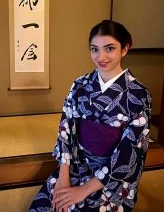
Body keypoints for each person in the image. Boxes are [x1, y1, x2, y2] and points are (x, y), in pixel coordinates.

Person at [29, 20, 151, 212]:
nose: (100, 56)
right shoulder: (80, 85)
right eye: (94, 49)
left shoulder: (138, 95)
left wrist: (83, 190)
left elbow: (130, 151)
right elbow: (65, 129)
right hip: (78, 165)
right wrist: (64, 176)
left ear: (125, 49)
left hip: (113, 177)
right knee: (47, 205)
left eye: (109, 48)